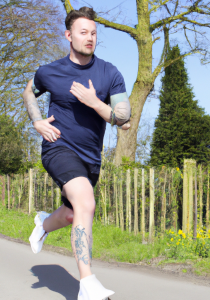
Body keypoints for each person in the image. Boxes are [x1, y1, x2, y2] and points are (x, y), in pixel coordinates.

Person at [22, 6, 131, 300]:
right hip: (57, 147)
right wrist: (37, 121)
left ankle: (43, 224)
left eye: (94, 33)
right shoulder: (49, 71)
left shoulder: (110, 73)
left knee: (73, 213)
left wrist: (95, 103)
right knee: (86, 201)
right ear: (69, 36)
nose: (90, 38)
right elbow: (28, 91)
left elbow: (125, 119)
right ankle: (88, 284)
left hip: (91, 157)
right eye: (84, 32)